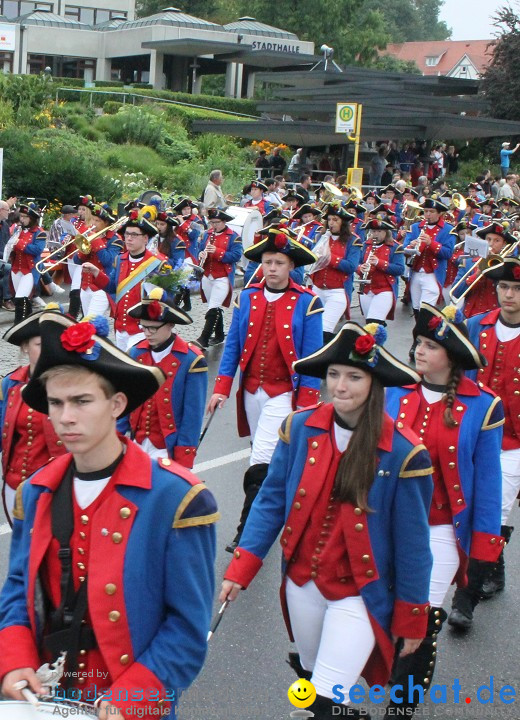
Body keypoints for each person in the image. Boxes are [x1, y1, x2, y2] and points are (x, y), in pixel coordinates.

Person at [0, 313, 217, 720]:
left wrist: (133, 697)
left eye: (82, 401)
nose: (66, 417)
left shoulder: (179, 499)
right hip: (51, 692)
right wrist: (14, 656)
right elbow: (17, 587)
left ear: (117, 405)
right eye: (56, 403)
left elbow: (188, 627)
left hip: (127, 697)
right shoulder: (36, 491)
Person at [220, 321, 432, 719]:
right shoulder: (298, 428)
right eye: (334, 375)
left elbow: (414, 546)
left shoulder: (405, 452)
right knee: (318, 682)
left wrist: (412, 614)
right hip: (302, 582)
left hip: (360, 591)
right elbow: (270, 503)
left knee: (321, 701)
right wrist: (241, 567)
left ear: (374, 384)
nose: (340, 386)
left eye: (354, 377)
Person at [384, 306, 502, 686]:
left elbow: (487, 483)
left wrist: (485, 548)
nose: (419, 350)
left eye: (430, 346)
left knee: (418, 621)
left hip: (440, 529)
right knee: (380, 613)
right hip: (384, 520)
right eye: (418, 342)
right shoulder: (391, 391)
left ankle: (401, 707)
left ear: (451, 357)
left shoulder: (483, 405)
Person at [0, 308, 69, 680]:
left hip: (55, 491)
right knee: (33, 567)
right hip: (14, 491)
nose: (45, 349)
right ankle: (40, 639)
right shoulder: (10, 385)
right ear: (24, 349)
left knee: (29, 567)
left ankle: (1, 646)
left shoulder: (71, 384)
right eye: (38, 343)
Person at [208, 226, 323, 552]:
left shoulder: (308, 302)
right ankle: (282, 507)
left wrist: (306, 402)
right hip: (251, 392)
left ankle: (248, 531)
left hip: (284, 393)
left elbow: (313, 359)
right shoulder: (248, 296)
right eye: (268, 262)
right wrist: (221, 387)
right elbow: (233, 344)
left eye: (279, 263)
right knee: (269, 456)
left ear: (291, 267)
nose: (272, 268)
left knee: (258, 459)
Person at [464, 255, 520, 608]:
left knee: (497, 508)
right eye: (503, 287)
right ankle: (487, 562)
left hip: (515, 438)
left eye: (516, 288)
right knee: (467, 500)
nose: (509, 295)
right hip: (473, 431)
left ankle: (483, 574)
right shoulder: (475, 325)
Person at [123, 293, 206, 466]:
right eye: (144, 327)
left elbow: (192, 416)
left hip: (166, 448)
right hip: (135, 444)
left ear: (170, 325)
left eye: (153, 328)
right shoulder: (135, 354)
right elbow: (126, 403)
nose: (147, 333)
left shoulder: (191, 361)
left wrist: (184, 459)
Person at [104, 210, 164, 351]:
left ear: (145, 239)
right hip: (120, 327)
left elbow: (166, 299)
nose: (129, 238)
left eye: (134, 235)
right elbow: (112, 288)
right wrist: (96, 274)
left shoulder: (157, 263)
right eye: (127, 234)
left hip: (142, 330)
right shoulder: (120, 259)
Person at [308, 205, 361, 341]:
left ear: (343, 223)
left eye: (335, 220)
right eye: (330, 220)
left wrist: (331, 259)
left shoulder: (353, 241)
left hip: (337, 291)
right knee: (312, 329)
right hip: (317, 288)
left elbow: (351, 266)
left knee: (325, 330)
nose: (331, 223)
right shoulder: (322, 236)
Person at [194, 207, 242, 348]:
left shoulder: (234, 236)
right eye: (212, 222)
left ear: (224, 221)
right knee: (213, 306)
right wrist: (201, 255)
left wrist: (218, 252)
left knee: (213, 307)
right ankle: (220, 335)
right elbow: (200, 248)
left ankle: (204, 338)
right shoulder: (207, 234)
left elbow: (236, 256)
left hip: (223, 277)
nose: (214, 226)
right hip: (207, 275)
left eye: (217, 222)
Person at [402, 196, 455, 312]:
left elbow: (448, 253)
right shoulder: (415, 227)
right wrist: (411, 246)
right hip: (415, 272)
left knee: (426, 311)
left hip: (433, 273)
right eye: (426, 211)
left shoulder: (448, 229)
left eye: (431, 212)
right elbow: (404, 249)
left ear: (439, 213)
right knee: (416, 309)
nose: (428, 215)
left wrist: (431, 243)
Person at [452, 221, 511, 317]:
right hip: (470, 315)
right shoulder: (468, 262)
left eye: (497, 241)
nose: (491, 244)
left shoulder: (508, 265)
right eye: (488, 239)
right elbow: (456, 293)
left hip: (495, 316)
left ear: (503, 244)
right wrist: (476, 275)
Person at [74, 202, 119, 321]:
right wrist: (82, 250)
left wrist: (97, 242)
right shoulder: (89, 236)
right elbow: (77, 261)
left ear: (107, 223)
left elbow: (108, 261)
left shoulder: (115, 240)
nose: (93, 224)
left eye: (97, 221)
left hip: (102, 288)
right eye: (93, 220)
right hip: (85, 285)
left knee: (90, 323)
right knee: (86, 324)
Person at [357, 218, 404, 325]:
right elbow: (357, 263)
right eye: (373, 231)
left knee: (374, 322)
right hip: (366, 289)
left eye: (379, 231)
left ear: (386, 232)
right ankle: (376, 341)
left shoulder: (395, 247)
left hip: (385, 289)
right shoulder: (365, 245)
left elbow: (400, 269)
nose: (376, 234)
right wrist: (360, 268)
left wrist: (379, 262)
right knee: (369, 325)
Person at [7, 203, 46, 324]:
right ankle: (30, 322)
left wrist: (19, 244)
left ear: (32, 218)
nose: (21, 219)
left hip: (30, 269)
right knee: (23, 298)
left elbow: (37, 250)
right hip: (16, 267)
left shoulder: (39, 233)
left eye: (25, 217)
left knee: (20, 298)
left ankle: (17, 325)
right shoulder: (18, 230)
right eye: (21, 216)